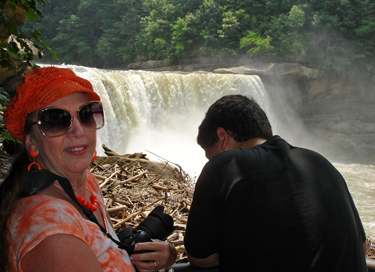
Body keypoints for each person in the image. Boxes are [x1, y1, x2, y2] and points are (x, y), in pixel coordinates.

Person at [0, 67, 177, 272]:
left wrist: (162, 256)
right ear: (31, 142)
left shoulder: (86, 183)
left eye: (86, 114)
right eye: (55, 120)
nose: (78, 130)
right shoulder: (52, 235)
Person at [184, 94, 367, 271]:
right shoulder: (319, 162)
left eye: (209, 155)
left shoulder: (226, 165)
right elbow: (363, 247)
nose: (209, 161)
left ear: (222, 138)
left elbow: (200, 257)